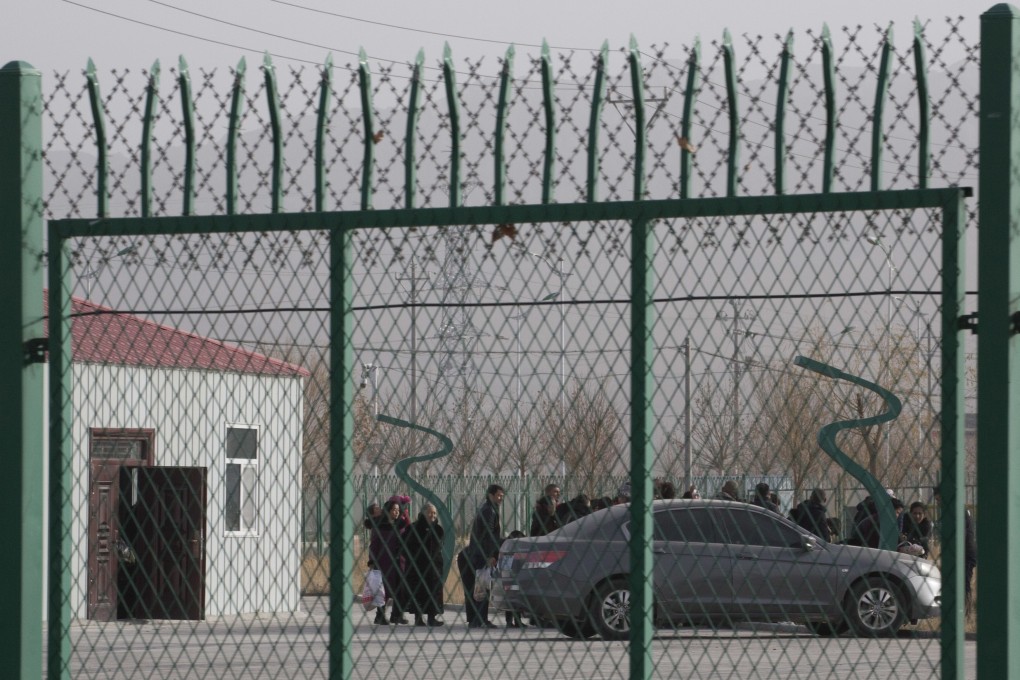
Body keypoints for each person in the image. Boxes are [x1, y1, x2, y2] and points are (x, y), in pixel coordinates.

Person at [457, 484, 505, 629]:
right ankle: (480, 619)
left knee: (478, 587)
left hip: (475, 553)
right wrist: (489, 555)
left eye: (502, 496)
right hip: (480, 555)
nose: (500, 498)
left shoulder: (488, 509)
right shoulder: (489, 511)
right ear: (490, 495)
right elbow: (488, 535)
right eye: (498, 495)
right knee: (481, 587)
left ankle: (477, 619)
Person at [932, 487, 977, 610]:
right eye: (937, 500)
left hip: (966, 553)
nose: (939, 503)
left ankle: (965, 609)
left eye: (941, 499)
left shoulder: (958, 511)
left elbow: (961, 535)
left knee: (964, 582)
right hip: (957, 553)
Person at [368, 499, 411, 625]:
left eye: (398, 510)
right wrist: (372, 561)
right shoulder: (380, 526)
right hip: (385, 563)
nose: (396, 512)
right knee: (384, 591)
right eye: (393, 510)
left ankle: (396, 615)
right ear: (387, 511)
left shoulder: (401, 525)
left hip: (400, 562)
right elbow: (374, 546)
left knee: (400, 589)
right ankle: (380, 615)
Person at [404, 503, 445, 627]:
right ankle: (418, 618)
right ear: (423, 513)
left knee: (433, 591)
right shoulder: (413, 528)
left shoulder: (438, 529)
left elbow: (440, 547)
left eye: (434, 513)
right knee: (419, 592)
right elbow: (405, 546)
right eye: (430, 512)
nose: (432, 515)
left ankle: (432, 618)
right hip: (418, 567)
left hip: (434, 567)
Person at [503, 530, 528, 628]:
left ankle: (511, 621)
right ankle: (514, 621)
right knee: (514, 598)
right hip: (512, 576)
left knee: (511, 598)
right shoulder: (514, 551)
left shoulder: (507, 549)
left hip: (508, 576)